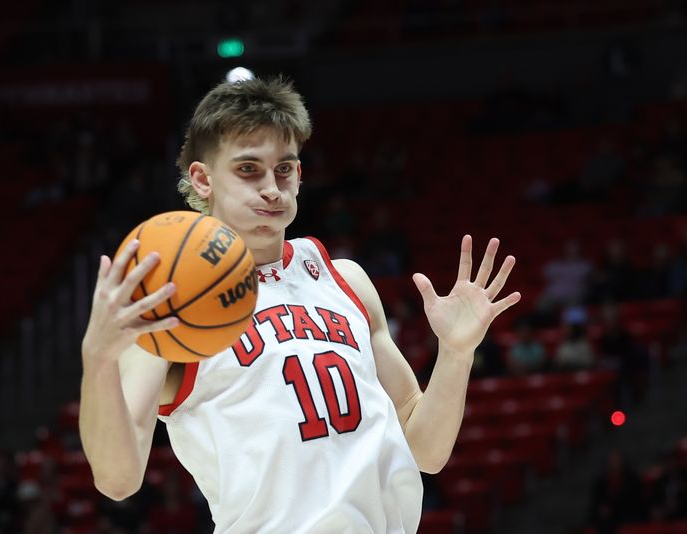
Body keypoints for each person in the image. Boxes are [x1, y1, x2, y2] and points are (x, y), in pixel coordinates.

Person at [79, 77, 521, 533]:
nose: (272, 188)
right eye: (249, 169)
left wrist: (456, 354)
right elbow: (117, 480)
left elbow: (425, 450)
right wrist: (98, 358)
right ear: (202, 178)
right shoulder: (169, 299)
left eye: (284, 169)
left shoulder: (344, 278)